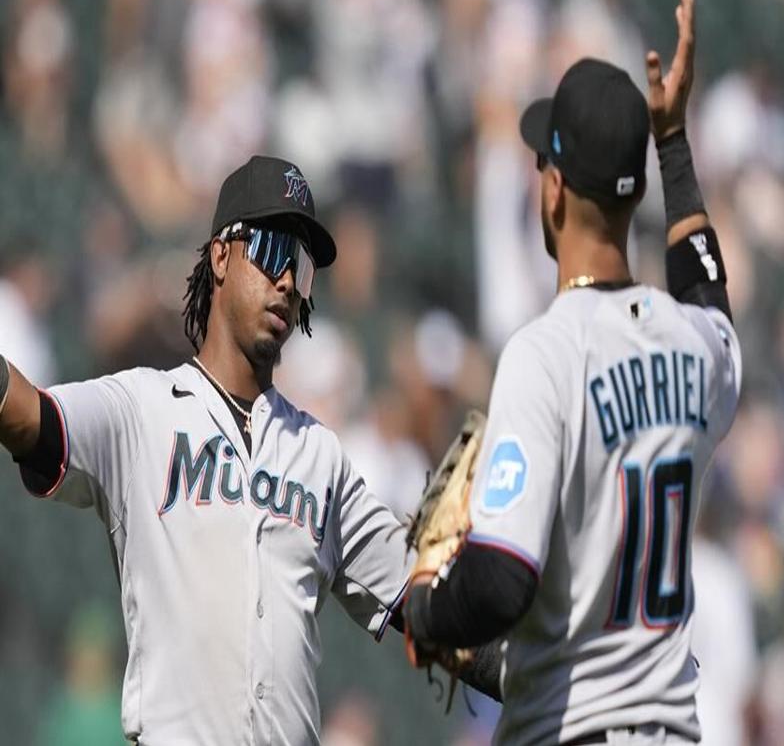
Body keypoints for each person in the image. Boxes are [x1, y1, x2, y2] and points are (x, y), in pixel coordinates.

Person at [0, 155, 498, 744]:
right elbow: (28, 415)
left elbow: (431, 608)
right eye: (270, 249)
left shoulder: (320, 456)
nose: (287, 279)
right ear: (219, 255)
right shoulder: (140, 409)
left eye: (303, 264)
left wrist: (555, 666)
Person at [404, 0, 742, 745]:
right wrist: (674, 144)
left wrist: (427, 602)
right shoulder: (693, 346)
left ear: (553, 190)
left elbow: (500, 580)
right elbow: (709, 293)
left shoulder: (543, 353)